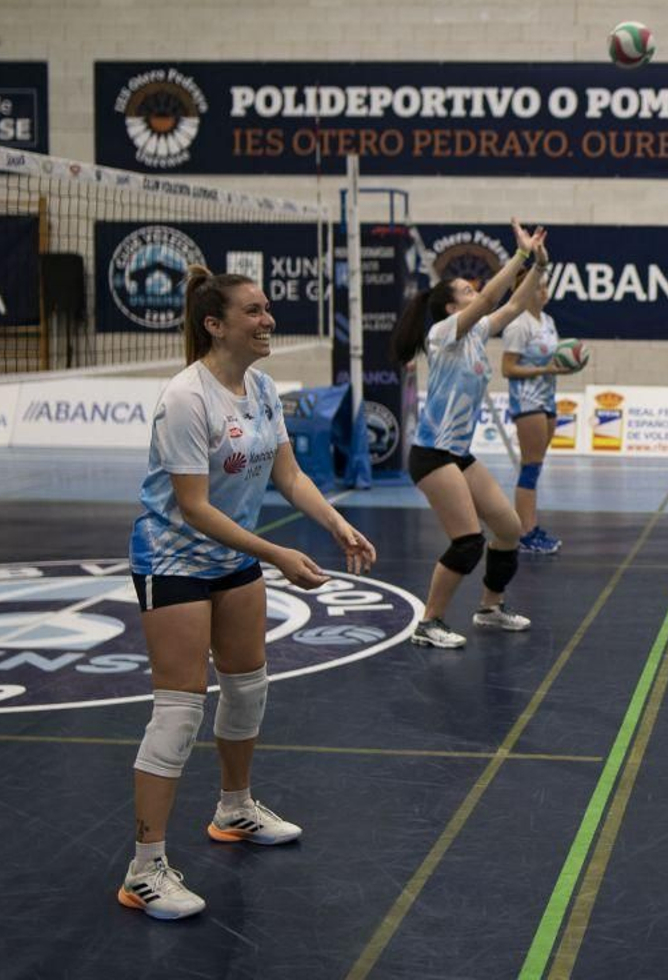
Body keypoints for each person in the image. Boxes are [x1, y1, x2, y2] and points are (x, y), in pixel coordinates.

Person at [121, 265, 377, 921]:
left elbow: (288, 475)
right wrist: (276, 553)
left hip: (232, 557)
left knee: (246, 687)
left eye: (267, 309)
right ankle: (145, 869)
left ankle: (234, 809)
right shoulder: (187, 398)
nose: (268, 320)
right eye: (254, 311)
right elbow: (194, 507)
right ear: (215, 324)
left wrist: (336, 523)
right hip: (174, 558)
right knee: (179, 711)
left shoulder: (261, 388)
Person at [395, 219, 546, 649]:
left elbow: (513, 307)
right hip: (432, 454)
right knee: (467, 542)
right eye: (464, 290)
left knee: (509, 529)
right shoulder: (443, 334)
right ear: (450, 307)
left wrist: (538, 265)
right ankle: (429, 623)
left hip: (459, 453)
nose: (473, 290)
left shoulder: (477, 333)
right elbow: (491, 299)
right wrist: (519, 255)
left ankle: (490, 608)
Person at [499, 241, 578, 555]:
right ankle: (524, 532)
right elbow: (507, 368)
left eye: (545, 286)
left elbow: (551, 359)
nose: (545, 291)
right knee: (530, 467)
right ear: (527, 289)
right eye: (540, 286)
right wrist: (545, 369)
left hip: (547, 399)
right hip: (527, 401)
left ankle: (530, 526)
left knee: (536, 466)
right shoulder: (518, 325)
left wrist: (564, 365)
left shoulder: (548, 321)